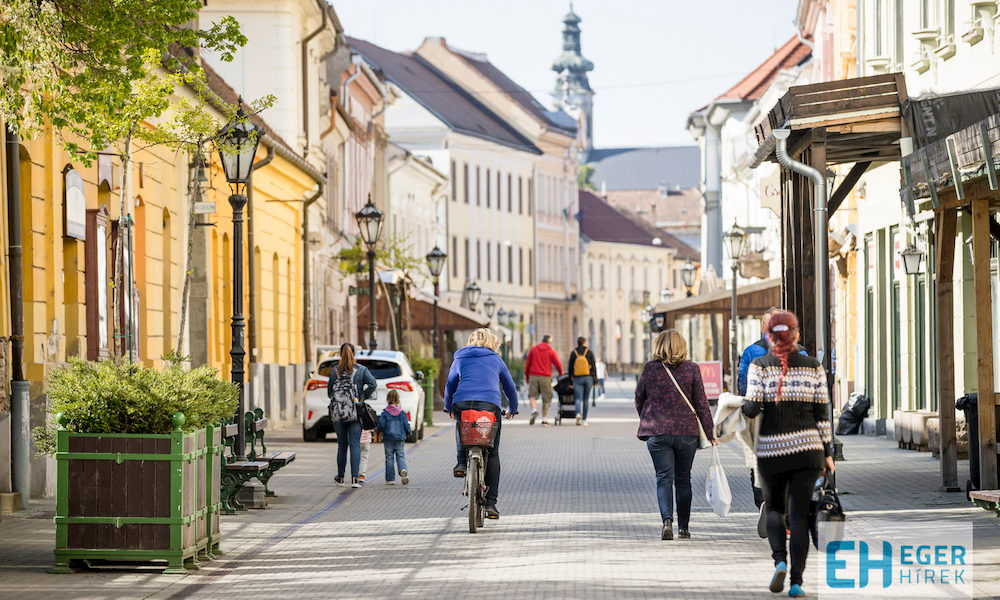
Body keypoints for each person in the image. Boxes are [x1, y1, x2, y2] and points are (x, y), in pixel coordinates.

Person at [742, 310, 834, 598]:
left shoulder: (760, 365)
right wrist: (828, 453)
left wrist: (743, 405)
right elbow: (822, 414)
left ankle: (779, 560)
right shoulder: (813, 366)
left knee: (775, 509)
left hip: (772, 451)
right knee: (799, 516)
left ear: (769, 335)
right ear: (795, 335)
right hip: (808, 451)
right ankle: (796, 582)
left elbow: (752, 408)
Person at [635, 330, 716, 541]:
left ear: (659, 345)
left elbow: (639, 397)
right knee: (683, 480)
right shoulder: (692, 369)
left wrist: (647, 417)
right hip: (686, 432)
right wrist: (710, 432)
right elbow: (701, 403)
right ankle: (684, 528)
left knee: (663, 478)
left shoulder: (650, 369)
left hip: (657, 431)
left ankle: (666, 522)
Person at [738, 307, 808, 535]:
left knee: (758, 463)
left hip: (761, 419)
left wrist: (748, 410)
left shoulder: (752, 353)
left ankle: (764, 503)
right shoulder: (803, 353)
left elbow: (743, 386)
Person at [444, 328, 518, 519]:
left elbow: (450, 384)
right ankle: (491, 504)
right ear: (492, 342)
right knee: (492, 452)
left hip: (462, 402)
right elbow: (509, 386)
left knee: (462, 424)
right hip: (489, 404)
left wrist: (448, 406)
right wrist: (513, 408)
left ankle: (461, 462)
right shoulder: (495, 359)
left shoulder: (460, 357)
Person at [327, 343, 377, 488]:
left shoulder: (334, 371)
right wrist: (362, 398)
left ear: (340, 354)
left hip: (338, 413)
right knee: (355, 444)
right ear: (354, 354)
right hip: (355, 412)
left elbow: (330, 391)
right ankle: (355, 479)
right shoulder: (361, 370)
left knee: (342, 445)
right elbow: (372, 384)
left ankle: (340, 478)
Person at [524, 334, 563, 426]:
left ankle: (534, 411)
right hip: (545, 377)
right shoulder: (551, 351)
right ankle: (544, 419)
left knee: (532, 395)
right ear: (549, 342)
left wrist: (527, 377)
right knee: (547, 398)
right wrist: (560, 373)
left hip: (533, 376)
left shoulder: (533, 350)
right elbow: (558, 364)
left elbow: (527, 365)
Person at [377, 389, 411, 485]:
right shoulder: (402, 413)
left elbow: (381, 425)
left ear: (388, 399)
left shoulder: (385, 413)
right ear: (398, 399)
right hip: (400, 438)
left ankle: (390, 479)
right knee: (400, 455)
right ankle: (403, 469)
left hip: (388, 438)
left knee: (389, 457)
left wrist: (378, 431)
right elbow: (406, 424)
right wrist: (408, 433)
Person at [567, 337, 596, 426]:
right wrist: (595, 380)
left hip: (577, 378)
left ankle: (578, 414)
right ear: (584, 342)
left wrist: (570, 382)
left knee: (578, 398)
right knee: (586, 399)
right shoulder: (589, 352)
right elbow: (594, 367)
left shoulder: (573, 353)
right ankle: (584, 420)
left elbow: (570, 368)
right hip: (588, 378)